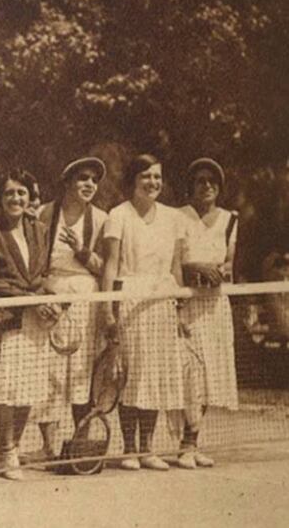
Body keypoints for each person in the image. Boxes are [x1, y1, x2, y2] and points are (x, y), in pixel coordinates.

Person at [101, 154, 186, 471]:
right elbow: (110, 264)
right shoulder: (118, 215)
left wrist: (179, 309)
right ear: (133, 181)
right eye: (146, 176)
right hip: (131, 299)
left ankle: (148, 448)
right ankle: (129, 449)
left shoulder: (173, 217)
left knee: (155, 376)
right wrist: (107, 309)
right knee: (131, 375)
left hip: (162, 301)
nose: (153, 183)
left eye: (157, 177)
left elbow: (176, 266)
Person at [0, 168, 56, 481]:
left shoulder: (40, 229)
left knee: (28, 388)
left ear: (29, 196)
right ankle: (6, 449)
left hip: (34, 320)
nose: (16, 198)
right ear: (0, 197)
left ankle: (15, 446)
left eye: (21, 192)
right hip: (5, 319)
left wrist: (46, 300)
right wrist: (29, 298)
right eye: (9, 192)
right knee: (7, 390)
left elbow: (45, 272)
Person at [33, 157, 108, 459]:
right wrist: (43, 294)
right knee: (47, 372)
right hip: (50, 299)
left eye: (94, 179)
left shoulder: (102, 219)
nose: (89, 184)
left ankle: (81, 443)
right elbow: (35, 262)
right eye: (83, 178)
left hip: (85, 301)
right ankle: (49, 446)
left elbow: (105, 268)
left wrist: (81, 251)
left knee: (82, 372)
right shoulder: (44, 214)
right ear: (67, 182)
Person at [176, 157, 239, 469]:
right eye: (200, 180)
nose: (207, 186)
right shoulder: (177, 217)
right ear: (191, 186)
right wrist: (194, 268)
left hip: (215, 307)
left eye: (212, 181)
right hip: (185, 305)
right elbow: (171, 263)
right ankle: (184, 443)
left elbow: (228, 263)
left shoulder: (230, 219)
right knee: (189, 376)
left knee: (209, 376)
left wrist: (220, 272)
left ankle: (193, 442)